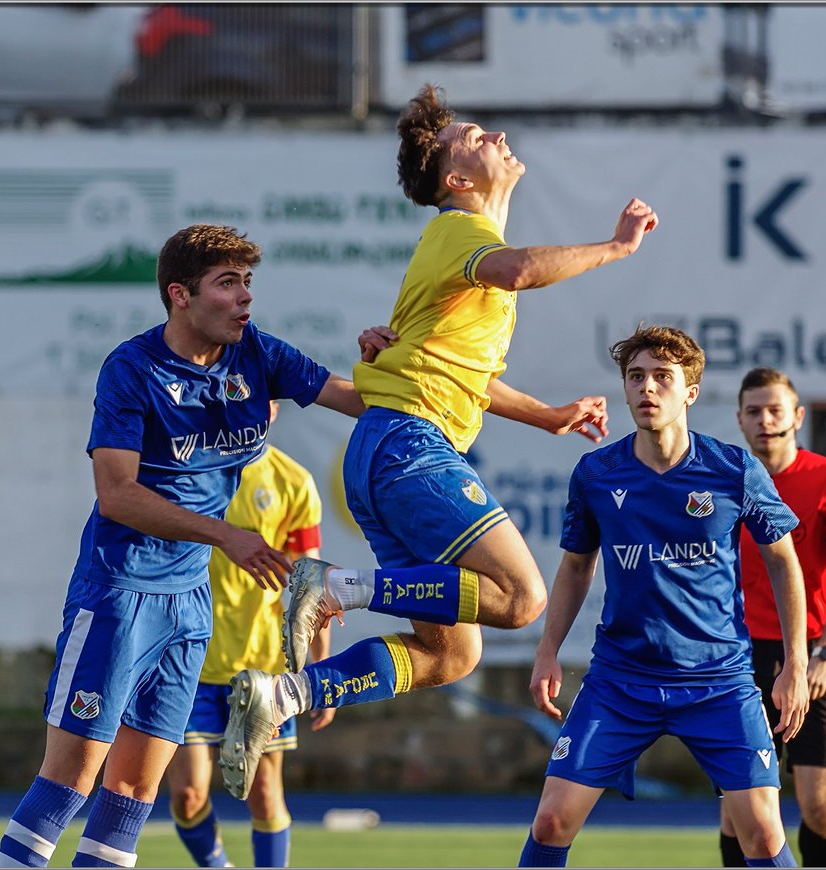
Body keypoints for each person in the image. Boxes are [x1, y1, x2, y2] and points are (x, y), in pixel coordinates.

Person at [220, 82, 659, 802]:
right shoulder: (462, 231)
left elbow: (464, 374)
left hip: (385, 449)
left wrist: (549, 416)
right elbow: (520, 269)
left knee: (450, 652)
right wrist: (615, 248)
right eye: (476, 137)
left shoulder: (460, 254)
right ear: (457, 179)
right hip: (407, 447)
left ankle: (287, 694)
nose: (496, 138)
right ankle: (334, 587)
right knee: (521, 598)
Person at [0, 224, 371, 869]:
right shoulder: (132, 369)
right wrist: (225, 535)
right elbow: (117, 494)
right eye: (227, 283)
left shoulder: (258, 353)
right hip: (119, 593)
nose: (245, 296)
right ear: (180, 295)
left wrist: (381, 361)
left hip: (189, 604)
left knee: (133, 793)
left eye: (247, 282)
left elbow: (361, 400)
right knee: (70, 780)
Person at [520, 325, 810, 868]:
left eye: (662, 377)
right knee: (551, 820)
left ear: (690, 392)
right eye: (636, 377)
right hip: (620, 680)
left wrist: (796, 663)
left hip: (718, 681)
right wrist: (547, 650)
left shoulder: (733, 469)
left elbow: (783, 562)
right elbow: (577, 566)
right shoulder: (597, 473)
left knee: (762, 834)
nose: (647, 388)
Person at [166, 400, 334, 869]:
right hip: (189, 661)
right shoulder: (186, 468)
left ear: (274, 409)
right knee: (187, 795)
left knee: (263, 793)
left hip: (263, 668)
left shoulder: (292, 481)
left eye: (261, 400)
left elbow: (309, 588)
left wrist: (322, 672)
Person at [719, 367, 826, 868]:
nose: (765, 420)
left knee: (822, 805)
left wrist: (825, 652)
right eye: (754, 411)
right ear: (739, 419)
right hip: (740, 658)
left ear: (797, 416)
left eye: (775, 410)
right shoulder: (724, 482)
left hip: (813, 650)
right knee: (741, 809)